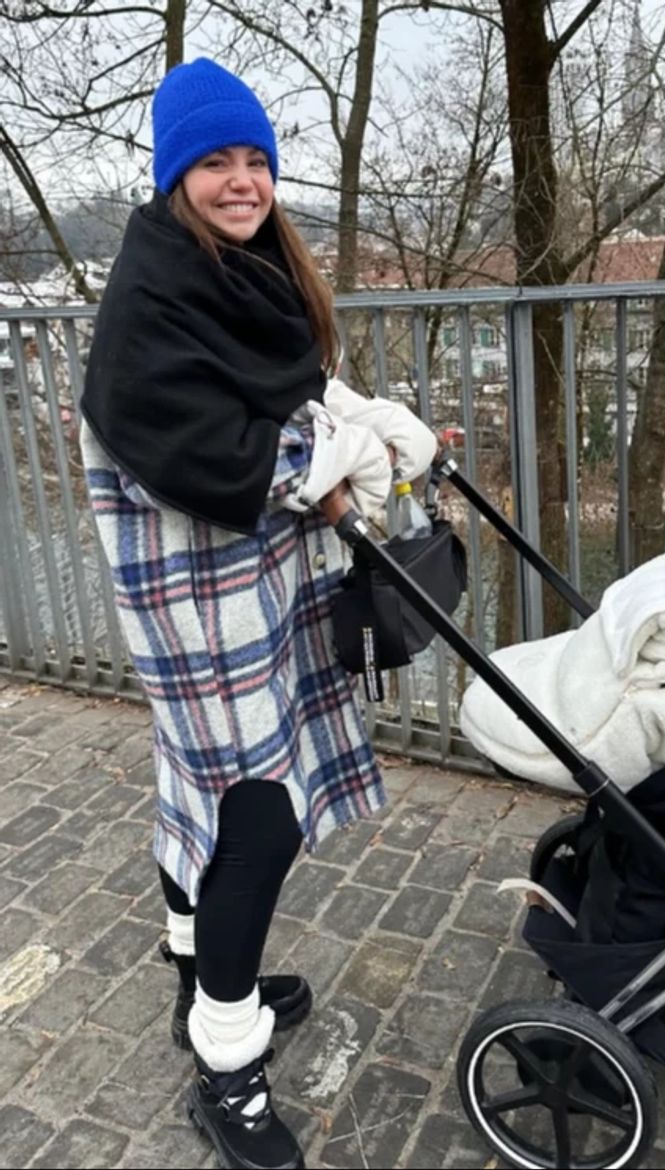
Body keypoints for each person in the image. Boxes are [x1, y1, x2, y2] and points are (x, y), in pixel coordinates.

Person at [79, 58, 436, 1170]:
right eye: (214, 163)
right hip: (194, 602)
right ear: (174, 173)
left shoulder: (236, 269)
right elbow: (211, 446)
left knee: (197, 795)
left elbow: (289, 395)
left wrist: (366, 427)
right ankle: (226, 1065)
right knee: (256, 818)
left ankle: (201, 981)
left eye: (255, 162)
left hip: (246, 588)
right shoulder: (150, 301)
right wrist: (345, 469)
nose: (241, 182)